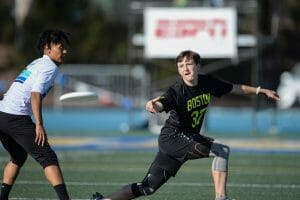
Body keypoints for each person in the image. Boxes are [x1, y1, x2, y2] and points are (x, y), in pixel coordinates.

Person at [90, 50, 280, 200]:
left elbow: (234, 88)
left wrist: (260, 90)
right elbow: (162, 102)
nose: (185, 68)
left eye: (189, 64)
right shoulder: (177, 90)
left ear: (198, 66)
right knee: (221, 150)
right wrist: (154, 105)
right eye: (181, 65)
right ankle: (221, 198)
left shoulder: (207, 82)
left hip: (182, 140)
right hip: (172, 138)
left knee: (147, 188)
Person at [0, 29, 71, 200]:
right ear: (47, 48)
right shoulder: (49, 67)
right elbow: (35, 94)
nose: (65, 51)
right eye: (61, 47)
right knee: (48, 157)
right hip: (14, 117)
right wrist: (39, 124)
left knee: (18, 156)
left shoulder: (37, 63)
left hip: (2, 115)